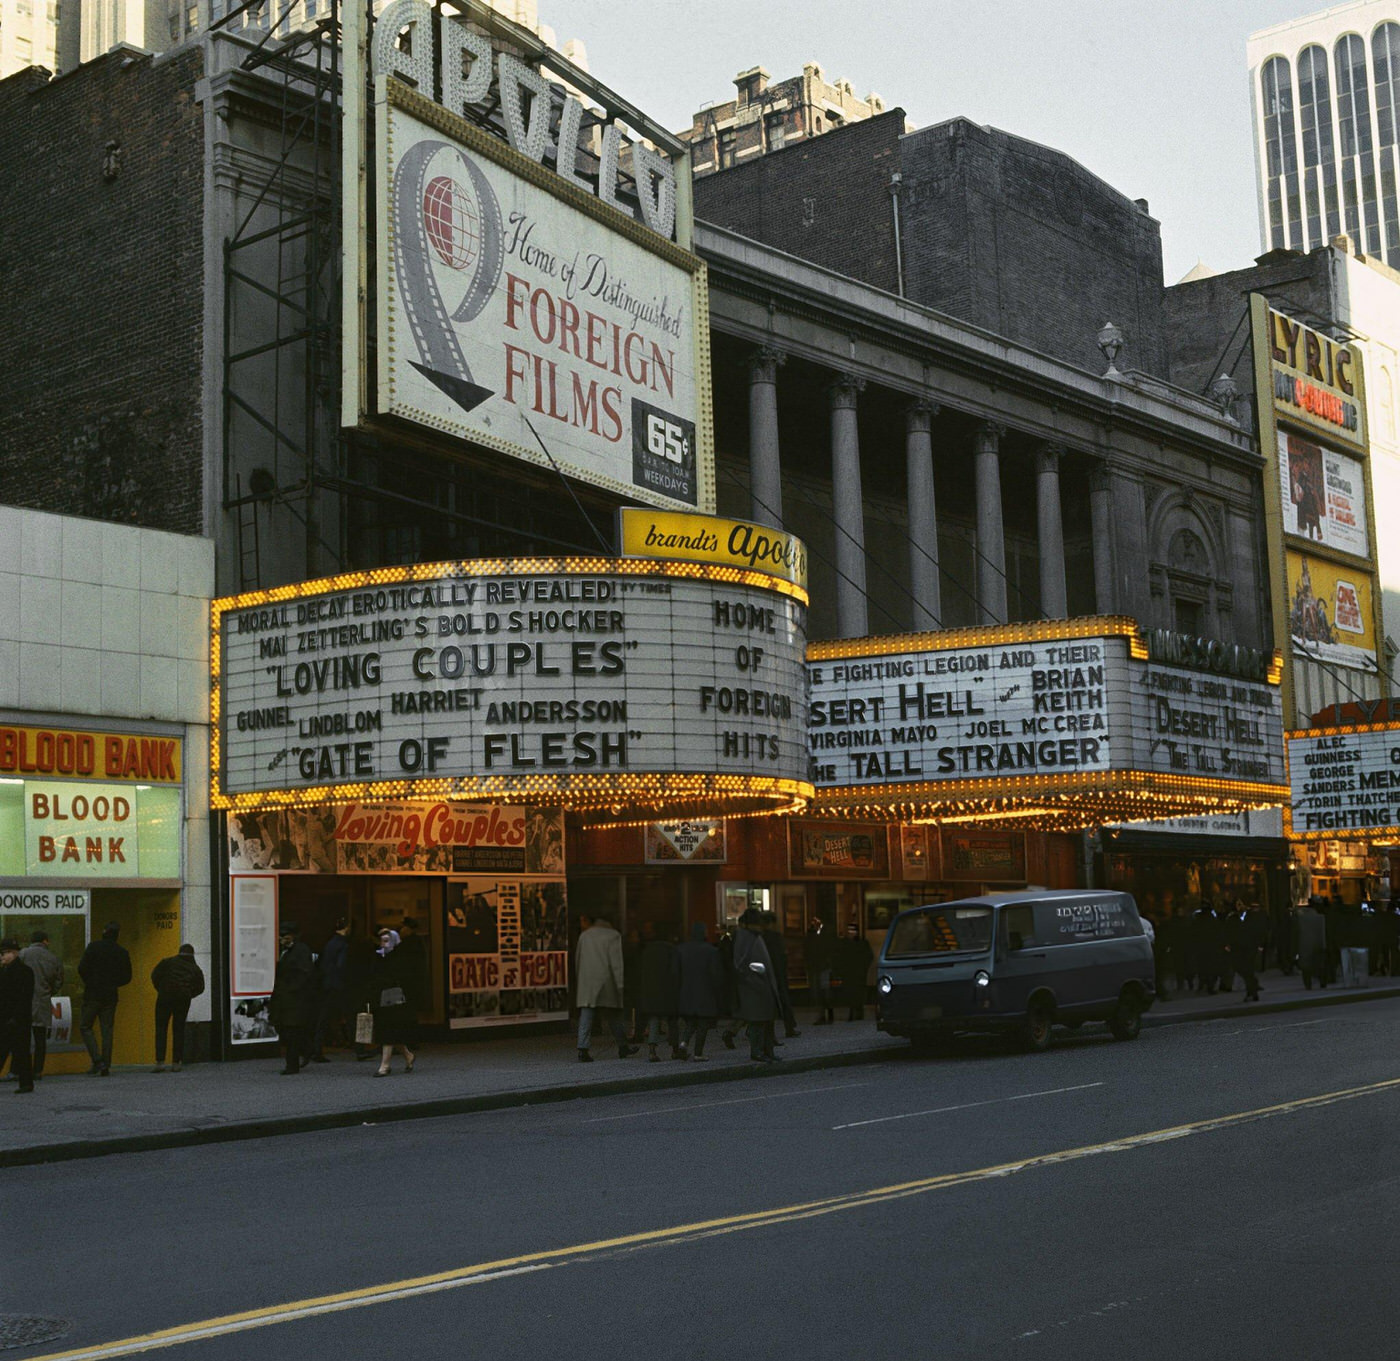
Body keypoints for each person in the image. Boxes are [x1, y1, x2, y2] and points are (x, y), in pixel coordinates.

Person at [575, 914, 634, 1062]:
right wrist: (620, 985)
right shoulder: (613, 935)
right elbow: (616, 963)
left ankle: (583, 1048)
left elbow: (578, 959)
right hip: (606, 981)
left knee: (586, 1014)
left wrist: (580, 979)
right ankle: (623, 1046)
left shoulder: (585, 935)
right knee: (613, 1015)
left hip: (587, 980)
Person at [78, 922, 132, 1075]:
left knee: (85, 1026)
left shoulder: (94, 947)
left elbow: (82, 968)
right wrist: (113, 983)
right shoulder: (122, 952)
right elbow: (127, 977)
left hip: (93, 994)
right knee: (107, 1029)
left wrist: (90, 981)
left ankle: (97, 1060)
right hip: (110, 995)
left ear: (104, 932)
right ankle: (106, 1064)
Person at [268, 921, 317, 1074]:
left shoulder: (300, 951)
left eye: (284, 936)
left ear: (291, 936)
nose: (281, 939)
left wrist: (291, 989)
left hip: (295, 999)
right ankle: (306, 1050)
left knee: (292, 1032)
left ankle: (292, 1064)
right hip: (288, 998)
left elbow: (304, 974)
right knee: (289, 1030)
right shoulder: (287, 951)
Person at [733, 908, 780, 1062]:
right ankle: (758, 1051)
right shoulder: (746, 938)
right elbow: (740, 965)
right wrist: (754, 980)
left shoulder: (754, 937)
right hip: (756, 985)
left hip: (761, 984)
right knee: (758, 1021)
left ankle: (767, 1051)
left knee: (766, 1020)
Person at [150, 944, 205, 1071]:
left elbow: (154, 976)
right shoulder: (195, 969)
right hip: (183, 1000)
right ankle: (176, 1062)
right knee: (179, 1029)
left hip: (165, 997)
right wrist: (189, 994)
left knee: (161, 1028)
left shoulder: (167, 962)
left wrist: (161, 988)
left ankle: (160, 1062)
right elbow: (200, 987)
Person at [370, 928, 416, 1076]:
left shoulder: (397, 957)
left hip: (393, 996)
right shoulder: (380, 956)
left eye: (387, 941)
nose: (383, 944)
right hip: (383, 996)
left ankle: (385, 1065)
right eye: (382, 941)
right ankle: (408, 1055)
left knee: (387, 1029)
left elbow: (399, 975)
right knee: (390, 1029)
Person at [675, 922, 724, 1061]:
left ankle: (683, 1043)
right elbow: (716, 975)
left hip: (686, 991)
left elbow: (675, 973)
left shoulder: (681, 949)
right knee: (703, 1024)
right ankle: (698, 1053)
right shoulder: (711, 951)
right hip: (705, 992)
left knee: (690, 1022)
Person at [20, 930, 63, 1081]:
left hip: (24, 1001)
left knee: (21, 1037)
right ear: (45, 941)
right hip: (43, 1001)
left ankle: (20, 1069)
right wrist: (48, 992)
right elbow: (58, 981)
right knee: (40, 1039)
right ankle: (37, 1070)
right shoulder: (53, 958)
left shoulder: (23, 954)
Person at [638, 925, 682, 1061]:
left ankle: (652, 1050)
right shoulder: (672, 950)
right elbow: (676, 971)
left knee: (654, 1019)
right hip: (668, 989)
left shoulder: (646, 950)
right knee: (672, 1020)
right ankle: (675, 1050)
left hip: (651, 990)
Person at [312, 918, 351, 1061]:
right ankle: (358, 1048)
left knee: (323, 1018)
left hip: (327, 984)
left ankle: (316, 1048)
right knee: (349, 1015)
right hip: (338, 985)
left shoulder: (330, 943)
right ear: (346, 928)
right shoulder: (343, 945)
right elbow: (341, 966)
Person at [0, 938, 35, 1093]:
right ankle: (26, 1083)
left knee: (20, 1051)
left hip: (17, 1018)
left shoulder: (24, 971)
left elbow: (24, 997)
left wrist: (16, 1017)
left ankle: (26, 1083)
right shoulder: (4, 971)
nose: (3, 956)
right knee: (14, 1051)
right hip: (8, 1017)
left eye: (6, 953)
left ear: (14, 953)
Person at [762, 912, 800, 1039]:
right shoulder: (775, 937)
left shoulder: (761, 937)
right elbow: (781, 957)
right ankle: (789, 1028)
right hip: (778, 974)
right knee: (783, 1002)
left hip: (766, 974)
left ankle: (772, 1034)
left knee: (768, 1005)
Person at [832, 922, 874, 1021]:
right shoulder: (844, 944)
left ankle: (857, 1011)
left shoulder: (862, 943)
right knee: (850, 993)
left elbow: (868, 957)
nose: (851, 933)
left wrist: (863, 968)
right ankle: (853, 1011)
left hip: (858, 972)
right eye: (849, 931)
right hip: (849, 972)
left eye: (853, 930)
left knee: (857, 993)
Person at [1228, 900, 1264, 1003]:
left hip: (1249, 948)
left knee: (1248, 969)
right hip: (1238, 948)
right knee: (1243, 969)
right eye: (1237, 904)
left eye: (1241, 904)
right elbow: (1229, 932)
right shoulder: (1232, 918)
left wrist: (1259, 944)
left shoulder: (1251, 917)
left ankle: (1252, 992)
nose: (1239, 906)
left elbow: (1258, 930)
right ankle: (1253, 988)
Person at [804, 918, 834, 1025]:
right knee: (824, 990)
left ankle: (823, 1014)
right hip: (822, 967)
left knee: (818, 992)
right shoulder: (821, 939)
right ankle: (829, 1013)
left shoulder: (810, 940)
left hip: (817, 968)